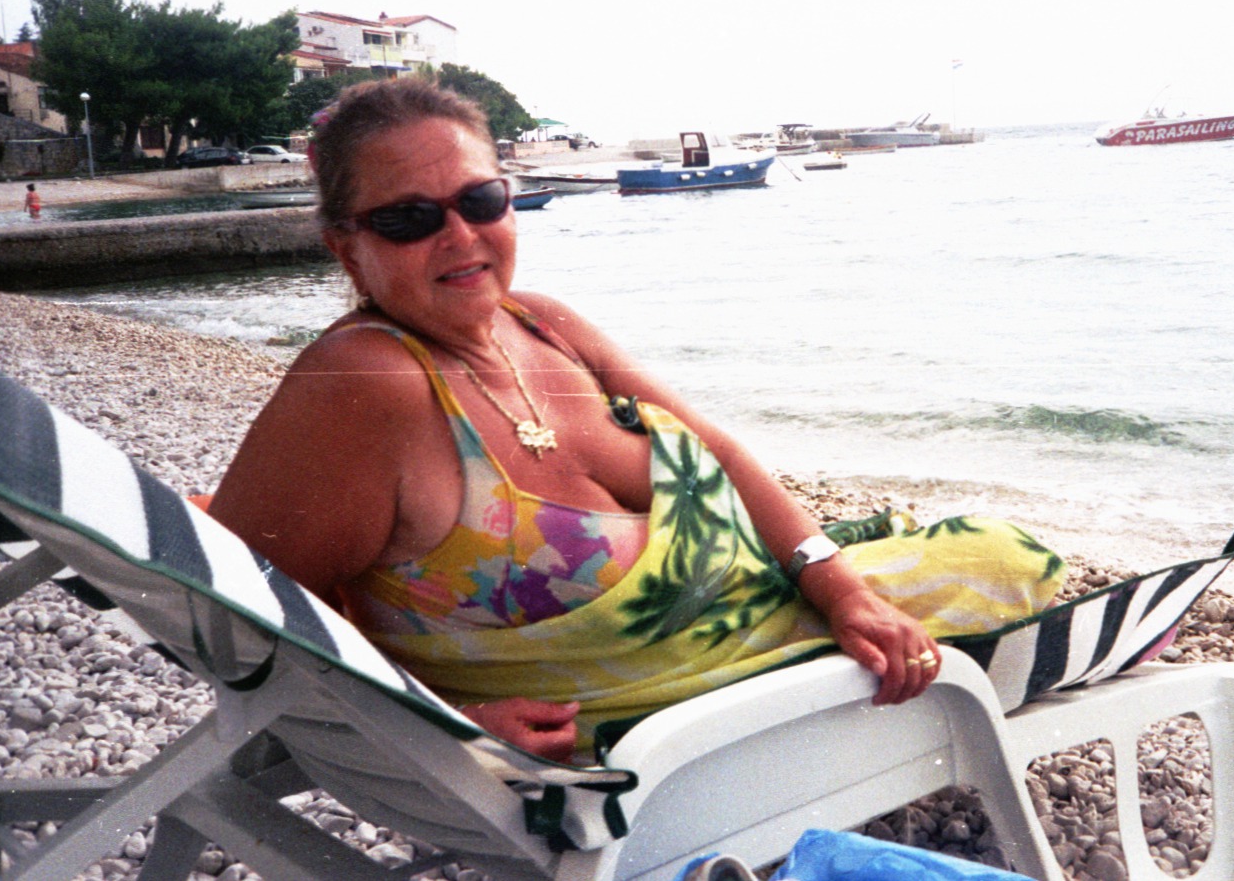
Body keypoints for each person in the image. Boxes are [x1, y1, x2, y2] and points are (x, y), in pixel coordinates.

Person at [210, 79, 1063, 762]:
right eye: (409, 217)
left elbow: (718, 451)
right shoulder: (368, 382)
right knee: (1011, 571)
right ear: (343, 245)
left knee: (996, 552)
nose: (460, 235)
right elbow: (247, 611)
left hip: (747, 624)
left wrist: (839, 590)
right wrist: (437, 720)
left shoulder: (541, 322)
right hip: (665, 723)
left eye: (482, 199)